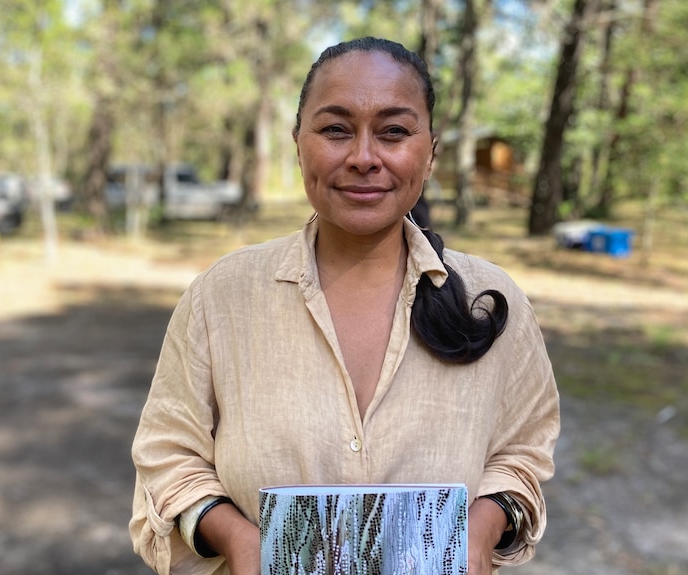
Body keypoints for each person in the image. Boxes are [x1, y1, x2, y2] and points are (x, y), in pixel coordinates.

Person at [130, 37, 560, 575]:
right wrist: (237, 538)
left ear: (430, 153)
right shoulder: (221, 298)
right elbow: (168, 455)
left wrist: (487, 522)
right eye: (335, 129)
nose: (362, 157)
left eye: (394, 132)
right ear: (298, 144)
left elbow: (522, 452)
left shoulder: (491, 299)